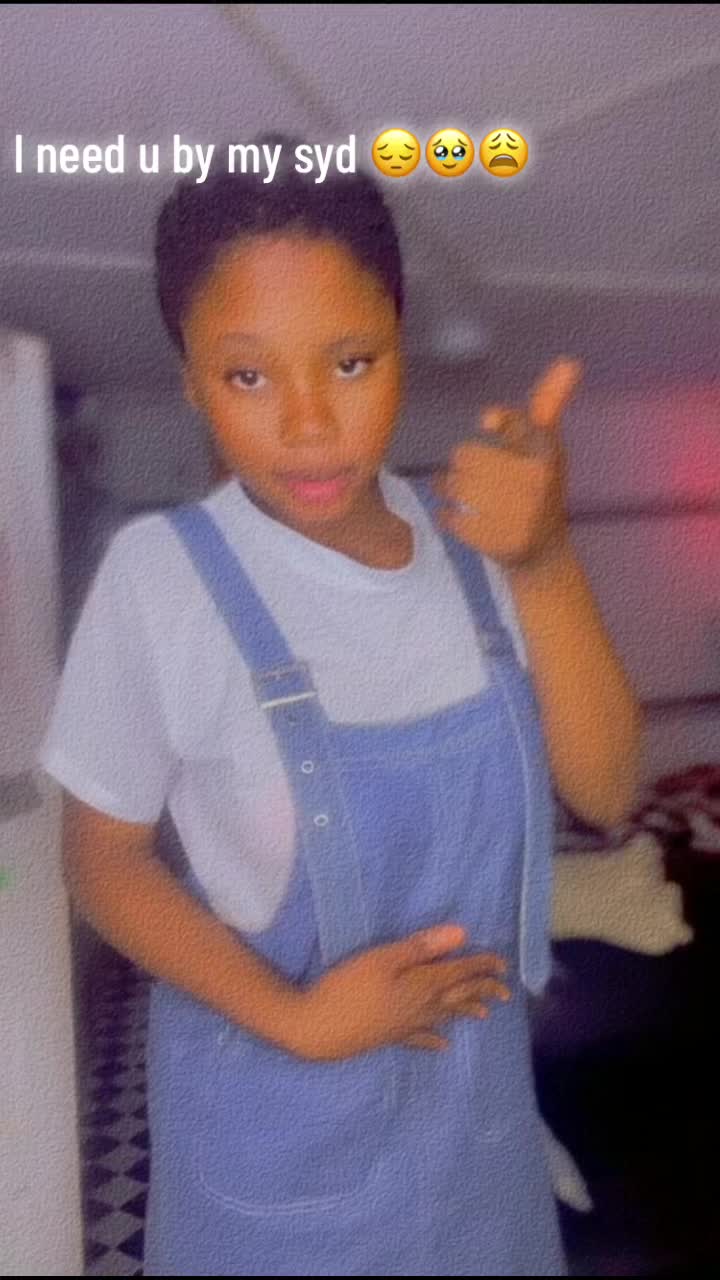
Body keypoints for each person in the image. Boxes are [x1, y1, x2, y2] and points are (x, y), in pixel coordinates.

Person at [39, 139, 642, 1276]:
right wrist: (298, 1017)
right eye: (248, 376)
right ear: (190, 381)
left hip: (477, 1134)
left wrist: (550, 558)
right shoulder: (161, 578)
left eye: (350, 362)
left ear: (399, 347)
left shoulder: (486, 544)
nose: (308, 422)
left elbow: (608, 792)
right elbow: (101, 857)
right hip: (279, 1148)